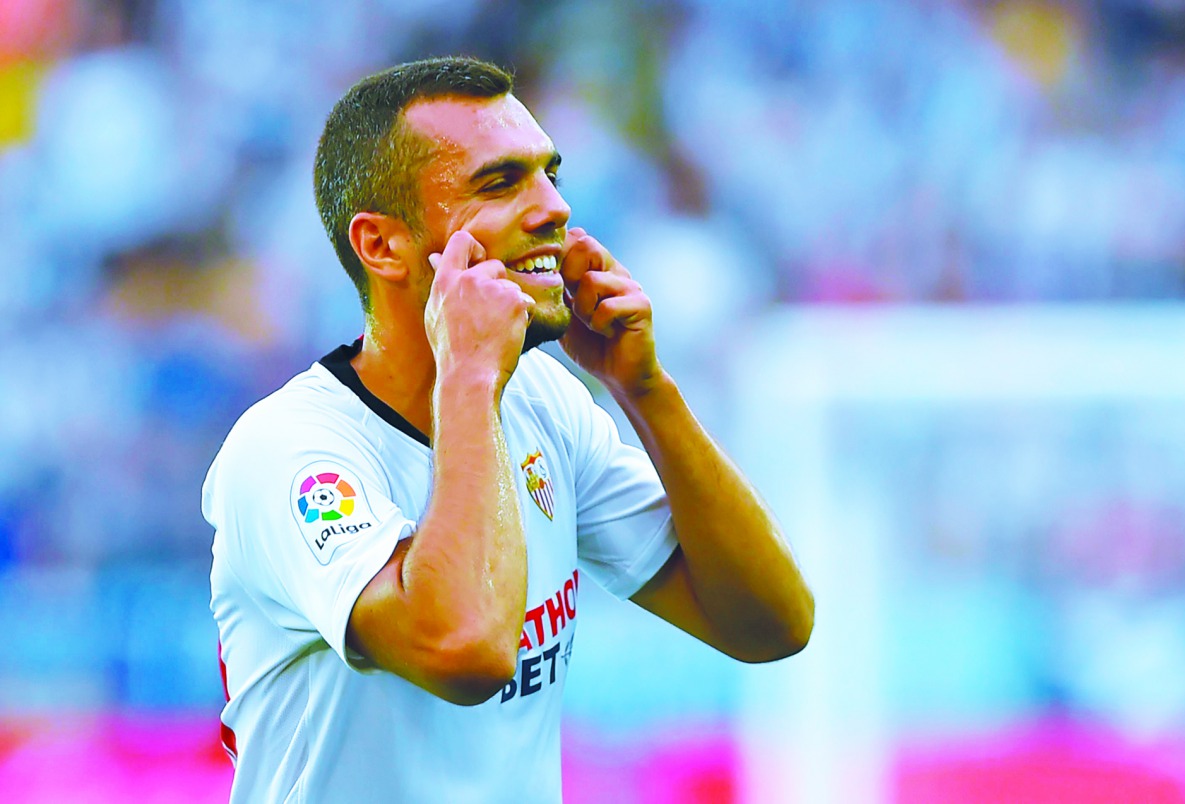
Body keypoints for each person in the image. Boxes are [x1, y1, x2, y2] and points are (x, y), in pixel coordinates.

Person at [203, 55, 814, 803]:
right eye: (500, 184)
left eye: (549, 173)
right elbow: (462, 648)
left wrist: (644, 390)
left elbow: (771, 624)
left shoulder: (545, 403)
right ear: (382, 247)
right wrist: (466, 377)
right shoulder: (289, 452)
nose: (553, 208)